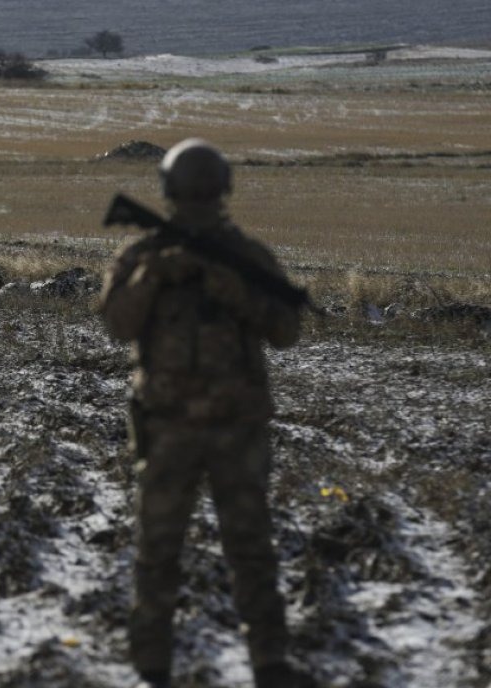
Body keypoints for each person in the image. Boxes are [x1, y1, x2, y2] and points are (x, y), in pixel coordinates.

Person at [98, 139, 308, 688]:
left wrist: (230, 288)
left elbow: (284, 329)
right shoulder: (145, 258)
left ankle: (264, 665)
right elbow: (119, 324)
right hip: (170, 429)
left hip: (232, 429)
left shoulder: (244, 258)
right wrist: (156, 276)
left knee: (241, 549)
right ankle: (157, 668)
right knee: (167, 551)